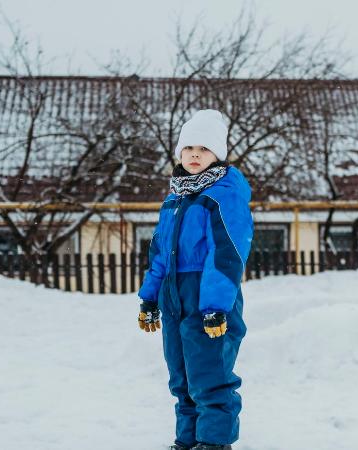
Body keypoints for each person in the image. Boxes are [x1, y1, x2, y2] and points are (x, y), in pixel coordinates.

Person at [137, 109, 254, 450]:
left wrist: (216, 305)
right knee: (182, 378)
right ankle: (187, 441)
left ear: (217, 154)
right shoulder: (175, 199)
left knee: (210, 376)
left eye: (203, 149)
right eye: (188, 148)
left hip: (209, 296)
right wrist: (150, 298)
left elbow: (227, 252)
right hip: (174, 296)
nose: (194, 155)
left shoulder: (224, 194)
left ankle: (214, 443)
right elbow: (160, 253)